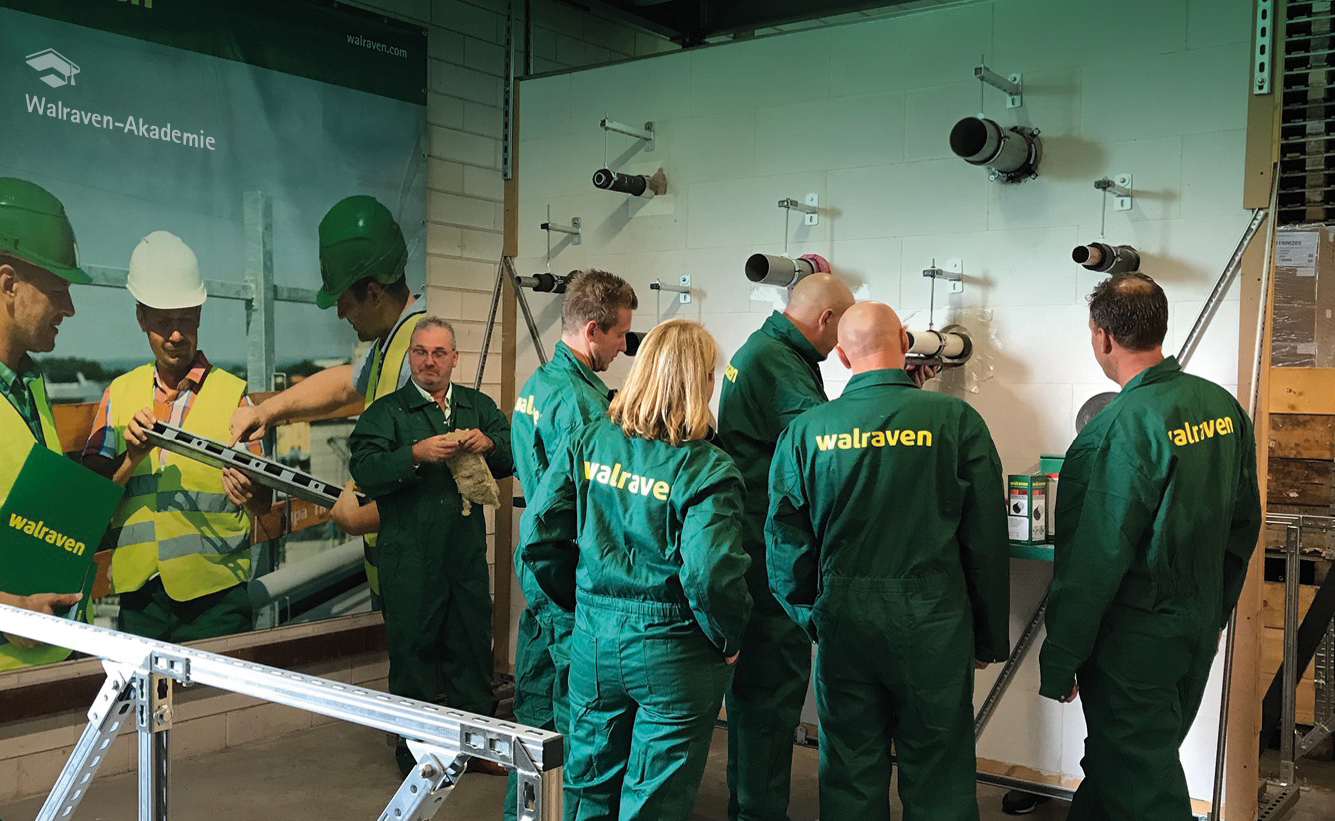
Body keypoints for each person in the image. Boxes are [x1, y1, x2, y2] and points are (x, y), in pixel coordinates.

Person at [767, 301, 1010, 821]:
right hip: (934, 623)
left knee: (850, 770)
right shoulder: (956, 421)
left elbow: (786, 543)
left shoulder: (807, 432)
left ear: (839, 354)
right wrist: (987, 636)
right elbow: (986, 539)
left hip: (844, 624)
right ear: (904, 339)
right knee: (939, 770)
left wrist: (813, 615)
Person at [1038, 273, 1262, 821]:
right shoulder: (1220, 408)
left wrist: (1061, 657)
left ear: (1102, 337)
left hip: (1131, 643)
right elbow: (1244, 524)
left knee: (1141, 782)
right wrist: (1214, 608)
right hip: (1191, 627)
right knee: (1124, 764)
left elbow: (1092, 563)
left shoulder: (1113, 430)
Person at [518, 319, 752, 821]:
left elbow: (538, 535)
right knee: (655, 799)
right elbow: (710, 573)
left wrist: (581, 607)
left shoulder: (588, 441)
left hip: (594, 643)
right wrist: (729, 639)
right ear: (699, 382)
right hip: (676, 649)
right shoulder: (707, 468)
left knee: (586, 785)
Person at [229, 195, 425, 602]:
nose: (339, 314)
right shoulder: (395, 342)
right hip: (401, 579)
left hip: (423, 589)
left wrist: (362, 517)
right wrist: (269, 410)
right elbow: (341, 385)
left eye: (344, 301)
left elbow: (438, 480)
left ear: (373, 293)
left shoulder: (422, 354)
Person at [82, 231, 272, 642]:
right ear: (141, 319)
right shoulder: (118, 395)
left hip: (217, 601)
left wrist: (250, 492)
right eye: (164, 322)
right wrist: (130, 458)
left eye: (186, 319)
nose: (176, 334)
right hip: (140, 601)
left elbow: (264, 503)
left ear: (199, 316)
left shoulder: (232, 396)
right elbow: (88, 502)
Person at [715, 271, 854, 821]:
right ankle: (757, 814)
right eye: (842, 330)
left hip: (751, 544)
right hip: (767, 554)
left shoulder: (766, 350)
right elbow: (824, 446)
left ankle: (751, 808)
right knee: (768, 699)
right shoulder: (777, 362)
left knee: (756, 700)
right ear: (826, 320)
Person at [348, 316, 512, 776]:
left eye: (439, 353)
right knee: (414, 656)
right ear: (410, 358)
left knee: (471, 650)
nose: (429, 361)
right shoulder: (387, 413)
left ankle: (478, 747)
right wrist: (414, 455)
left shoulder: (476, 407)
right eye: (420, 352)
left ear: (454, 359)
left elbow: (510, 450)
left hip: (464, 557)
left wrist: (489, 445)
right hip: (409, 560)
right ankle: (415, 755)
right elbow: (365, 468)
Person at [506, 269, 637, 821]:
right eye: (619, 335)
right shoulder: (585, 409)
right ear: (591, 330)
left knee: (531, 711)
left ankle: (521, 814)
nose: (624, 346)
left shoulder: (536, 387)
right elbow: (591, 505)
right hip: (567, 579)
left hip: (536, 571)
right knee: (573, 717)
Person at [0, 177, 90, 669]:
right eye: (58, 290)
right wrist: (14, 611)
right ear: (8, 285)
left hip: (54, 669)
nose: (70, 309)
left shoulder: (31, 384)